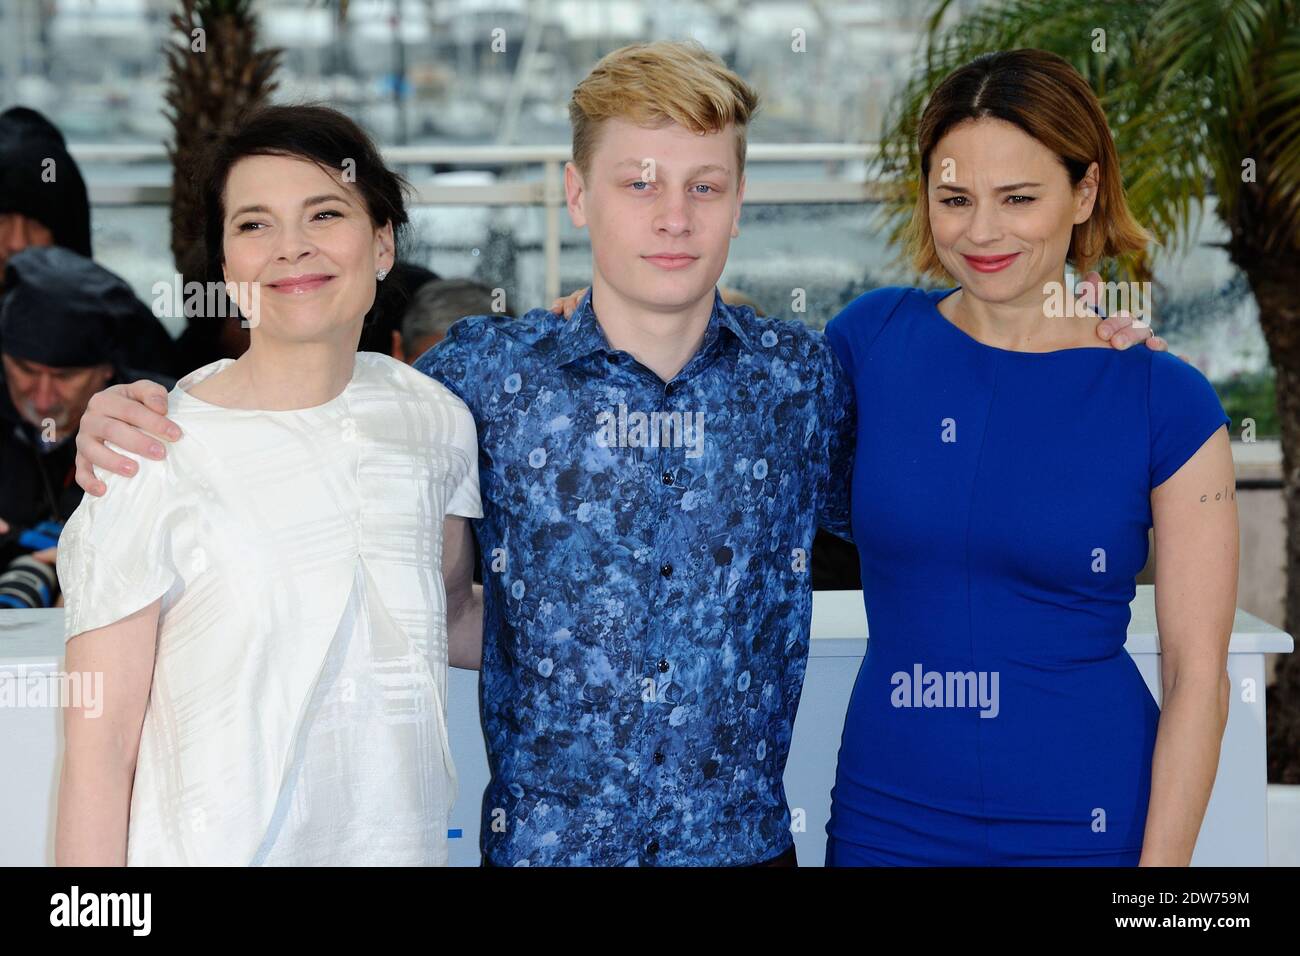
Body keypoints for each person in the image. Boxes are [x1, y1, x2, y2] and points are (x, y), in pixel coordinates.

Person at [71, 42, 1158, 867]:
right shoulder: (478, 382)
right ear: (575, 193)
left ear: (740, 202)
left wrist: (1086, 338)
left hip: (748, 850)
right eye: (637, 182)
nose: (672, 218)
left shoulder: (808, 381)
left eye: (704, 185)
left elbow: (964, 436)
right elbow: (309, 404)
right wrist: (135, 407)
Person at [821, 49, 1237, 866]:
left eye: (1019, 199)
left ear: (1083, 194)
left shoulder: (1168, 399)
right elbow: (726, 381)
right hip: (886, 816)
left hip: (1087, 821)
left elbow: (1198, 681)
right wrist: (602, 311)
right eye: (955, 199)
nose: (982, 231)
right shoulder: (869, 342)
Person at [55, 104, 483, 866]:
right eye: (253, 224)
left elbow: (449, 614)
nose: (292, 247)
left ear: (382, 241)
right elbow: (100, 749)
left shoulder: (436, 423)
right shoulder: (149, 448)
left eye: (325, 212)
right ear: (226, 265)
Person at [0, 246, 174, 606]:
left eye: (65, 376)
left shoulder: (159, 417)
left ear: (107, 368)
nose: (44, 397)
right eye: (26, 371)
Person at [0, 106, 179, 376]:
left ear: (67, 228)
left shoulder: (121, 325)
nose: (17, 242)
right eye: (1, 219)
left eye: (37, 223)